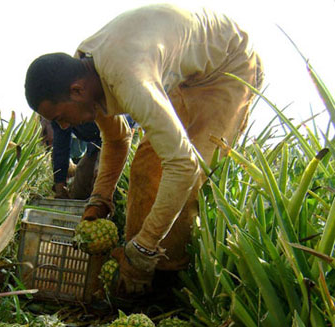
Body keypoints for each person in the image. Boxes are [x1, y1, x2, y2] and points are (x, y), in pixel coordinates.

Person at [24, 4, 263, 297]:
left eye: (60, 116)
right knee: (145, 170)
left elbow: (184, 165)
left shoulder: (128, 78)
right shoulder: (85, 77)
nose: (61, 126)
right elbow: (116, 139)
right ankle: (135, 274)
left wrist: (145, 247)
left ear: (76, 91)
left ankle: (164, 283)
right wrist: (100, 199)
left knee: (188, 173)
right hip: (180, 69)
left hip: (227, 64)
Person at [40, 117, 102, 199]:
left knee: (100, 180)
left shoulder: (90, 108)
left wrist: (101, 165)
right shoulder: (57, 117)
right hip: (95, 144)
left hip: (116, 136)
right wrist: (60, 188)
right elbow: (61, 148)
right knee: (81, 183)